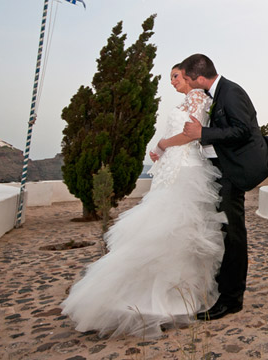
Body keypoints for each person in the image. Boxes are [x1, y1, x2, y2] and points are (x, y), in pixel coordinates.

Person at [60, 65, 226, 338]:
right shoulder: (185, 101)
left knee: (173, 228)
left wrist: (162, 145)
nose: (172, 81)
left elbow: (190, 134)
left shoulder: (197, 97)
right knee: (159, 226)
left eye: (175, 76)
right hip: (171, 168)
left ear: (188, 75)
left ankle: (170, 298)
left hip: (186, 170)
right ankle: (146, 295)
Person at [180, 53, 268, 320]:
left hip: (234, 173)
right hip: (222, 170)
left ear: (200, 77)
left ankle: (231, 299)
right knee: (224, 234)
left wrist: (202, 134)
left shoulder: (231, 92)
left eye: (189, 80)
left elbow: (243, 130)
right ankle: (223, 288)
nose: (188, 84)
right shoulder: (217, 93)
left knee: (234, 236)